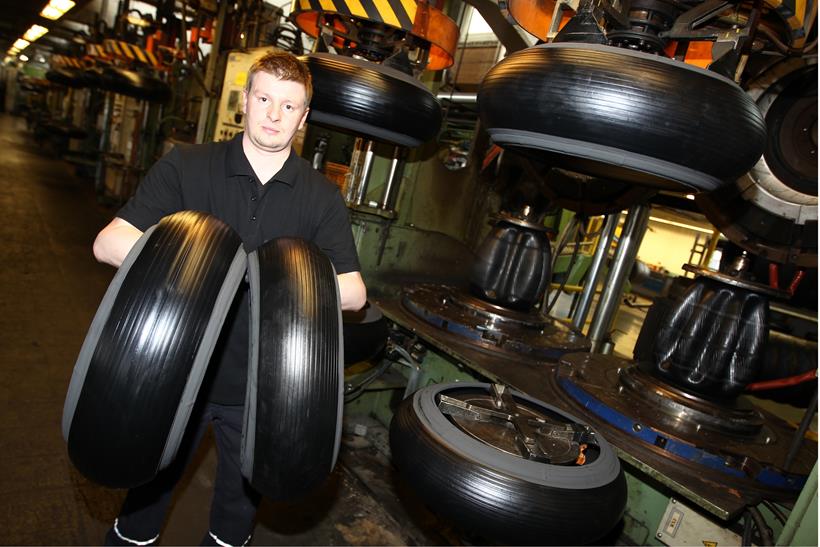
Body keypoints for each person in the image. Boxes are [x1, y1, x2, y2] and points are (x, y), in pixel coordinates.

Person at [93, 49, 366, 547]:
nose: (274, 115)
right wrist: (199, 264)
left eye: (289, 106)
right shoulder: (188, 165)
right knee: (144, 503)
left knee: (235, 518)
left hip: (262, 388)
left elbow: (352, 292)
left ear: (304, 117)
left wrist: (276, 278)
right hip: (177, 373)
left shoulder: (320, 196)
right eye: (264, 99)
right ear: (245, 100)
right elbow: (109, 242)